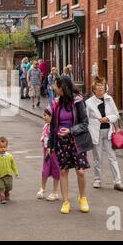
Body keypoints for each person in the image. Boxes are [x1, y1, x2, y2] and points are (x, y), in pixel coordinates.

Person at [47, 75, 93, 214]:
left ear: (63, 88)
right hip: (61, 142)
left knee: (80, 171)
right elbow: (53, 126)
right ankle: (66, 201)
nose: (54, 88)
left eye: (56, 86)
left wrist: (71, 130)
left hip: (76, 141)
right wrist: (51, 144)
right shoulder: (55, 103)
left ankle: (82, 198)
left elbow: (85, 123)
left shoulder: (78, 101)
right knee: (63, 171)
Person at [86, 76, 123, 191]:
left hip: (109, 132)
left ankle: (117, 181)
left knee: (112, 157)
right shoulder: (89, 103)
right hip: (96, 132)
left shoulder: (109, 99)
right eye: (98, 86)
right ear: (94, 89)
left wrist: (107, 118)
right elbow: (86, 118)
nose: (100, 88)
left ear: (105, 88)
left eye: (102, 86)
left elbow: (116, 115)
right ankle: (97, 179)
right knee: (97, 158)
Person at [37, 107, 60, 201]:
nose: (44, 117)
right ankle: (42, 188)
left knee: (56, 170)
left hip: (55, 152)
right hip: (47, 151)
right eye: (44, 115)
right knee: (45, 170)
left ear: (52, 116)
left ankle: (55, 192)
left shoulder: (56, 127)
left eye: (46, 115)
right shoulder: (46, 126)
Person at [0, 137, 19, 204]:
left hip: (8, 175)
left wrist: (16, 172)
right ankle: (2, 197)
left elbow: (13, 165)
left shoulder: (9, 156)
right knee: (1, 187)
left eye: (5, 147)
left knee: (9, 186)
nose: (3, 149)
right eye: (1, 147)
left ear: (7, 146)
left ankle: (7, 192)